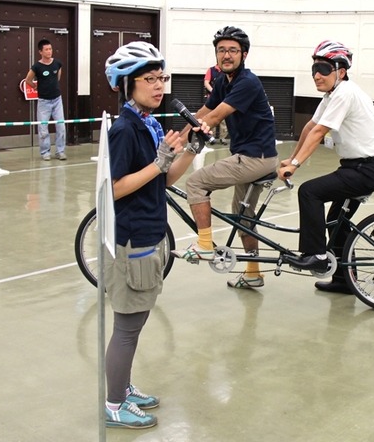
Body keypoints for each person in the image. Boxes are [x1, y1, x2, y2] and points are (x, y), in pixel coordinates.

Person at [102, 41, 209, 429]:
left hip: (148, 235)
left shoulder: (147, 124)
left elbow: (162, 180)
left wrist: (190, 150)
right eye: (149, 79)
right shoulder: (125, 130)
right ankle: (114, 404)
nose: (159, 85)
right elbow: (114, 189)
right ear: (126, 85)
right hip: (132, 241)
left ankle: (123, 387)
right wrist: (159, 160)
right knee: (127, 329)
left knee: (136, 323)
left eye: (162, 77)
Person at [172, 26, 279, 290]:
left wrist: (195, 131)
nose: (226, 55)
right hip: (253, 156)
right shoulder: (223, 81)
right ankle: (254, 273)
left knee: (196, 183)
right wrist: (177, 138)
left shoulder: (247, 82)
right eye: (221, 50)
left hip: (255, 157)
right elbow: (202, 112)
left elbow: (216, 116)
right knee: (243, 216)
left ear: (244, 54)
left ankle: (205, 245)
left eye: (232, 50)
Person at [278, 40, 374, 294]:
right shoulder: (333, 95)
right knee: (336, 221)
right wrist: (290, 158)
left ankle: (315, 255)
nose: (317, 75)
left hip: (366, 169)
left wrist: (295, 165)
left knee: (309, 192)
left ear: (341, 71)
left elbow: (319, 132)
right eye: (314, 68)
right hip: (355, 167)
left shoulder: (345, 93)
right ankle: (344, 280)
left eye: (324, 69)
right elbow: (310, 126)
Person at [25, 38, 67, 161]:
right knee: (43, 128)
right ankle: (45, 152)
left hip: (57, 99)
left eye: (50, 49)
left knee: (61, 126)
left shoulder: (57, 63)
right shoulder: (37, 66)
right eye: (46, 49)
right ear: (40, 52)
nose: (49, 51)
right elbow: (28, 80)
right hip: (43, 101)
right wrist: (35, 86)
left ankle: (60, 151)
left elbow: (58, 77)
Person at [204, 64, 229, 144]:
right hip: (212, 99)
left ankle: (223, 138)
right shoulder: (211, 70)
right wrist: (213, 92)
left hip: (224, 99)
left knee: (224, 120)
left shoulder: (227, 71)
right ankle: (211, 137)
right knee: (211, 117)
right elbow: (206, 82)